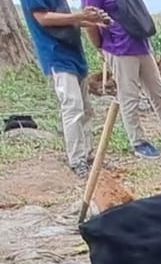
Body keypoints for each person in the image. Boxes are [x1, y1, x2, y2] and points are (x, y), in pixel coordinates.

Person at [82, 0, 161, 160]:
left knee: (159, 93)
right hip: (119, 48)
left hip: (142, 46)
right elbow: (90, 21)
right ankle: (138, 142)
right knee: (129, 97)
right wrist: (101, 47)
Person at [19, 0, 109, 178]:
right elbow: (43, 18)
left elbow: (66, 19)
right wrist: (81, 15)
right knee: (72, 107)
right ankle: (77, 160)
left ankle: (88, 154)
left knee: (86, 109)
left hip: (74, 54)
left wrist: (92, 20)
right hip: (55, 54)